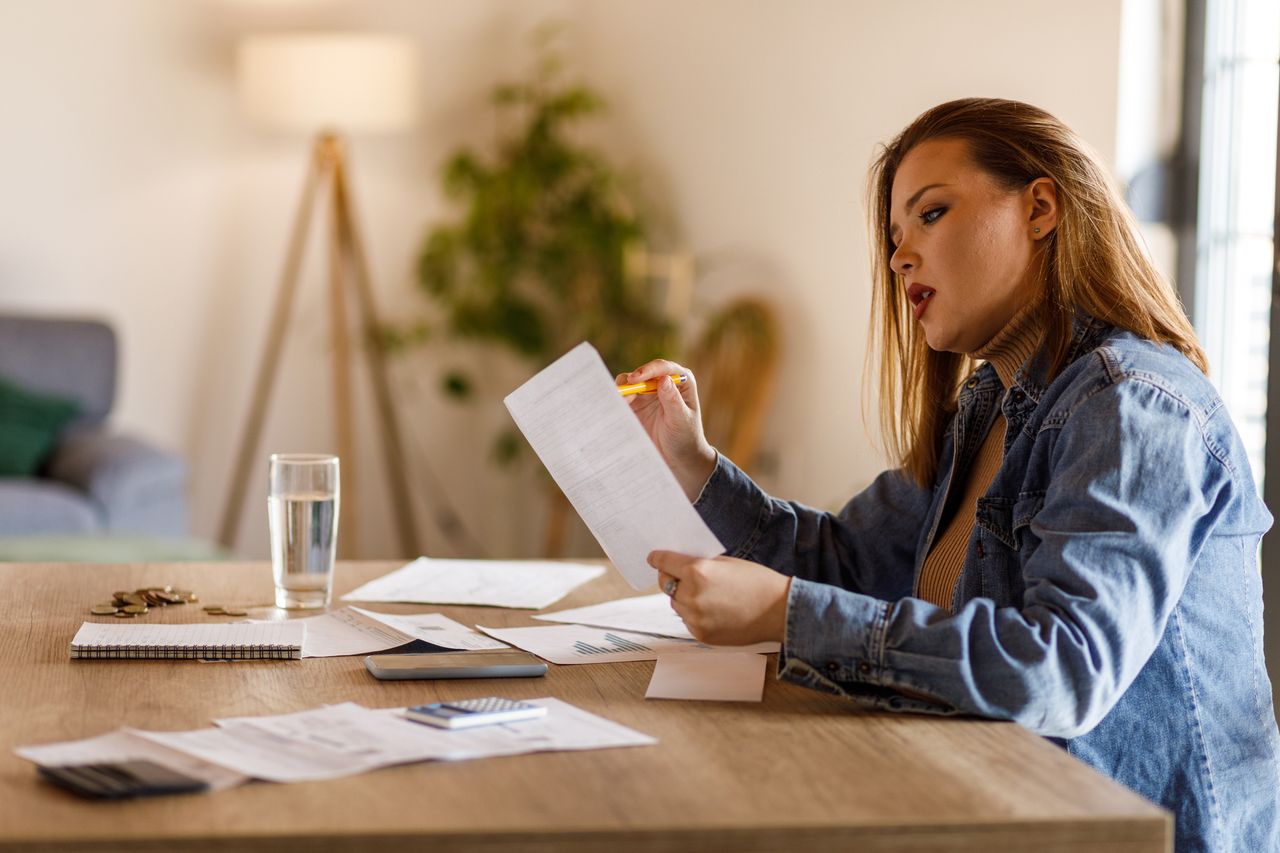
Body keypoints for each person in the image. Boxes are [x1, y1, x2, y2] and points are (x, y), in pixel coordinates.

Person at [619, 98, 1279, 852]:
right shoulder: (988, 405)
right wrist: (692, 460)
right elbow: (848, 561)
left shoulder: (1132, 404)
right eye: (894, 236)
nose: (900, 256)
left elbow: (1062, 667)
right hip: (989, 804)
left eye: (930, 214)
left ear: (1040, 208)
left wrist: (786, 614)